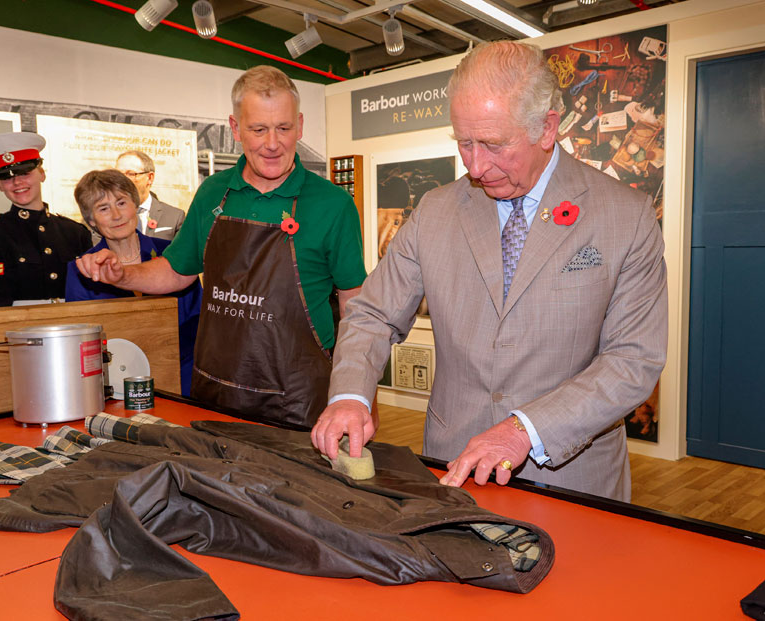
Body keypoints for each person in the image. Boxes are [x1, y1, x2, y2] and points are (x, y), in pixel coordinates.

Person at [311, 41, 667, 502]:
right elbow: (372, 315)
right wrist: (350, 397)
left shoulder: (625, 216)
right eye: (464, 143)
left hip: (572, 479)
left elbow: (632, 361)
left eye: (495, 145)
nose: (476, 166)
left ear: (547, 128)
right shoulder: (436, 211)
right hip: (450, 467)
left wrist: (525, 430)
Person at [78, 65, 367, 428]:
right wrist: (121, 275)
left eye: (284, 128)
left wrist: (350, 394)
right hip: (217, 394)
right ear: (235, 129)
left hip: (298, 400)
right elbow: (175, 271)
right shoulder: (213, 194)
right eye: (258, 129)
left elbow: (355, 303)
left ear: (301, 125)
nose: (273, 143)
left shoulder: (332, 204)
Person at [65, 169, 201, 396]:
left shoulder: (172, 255)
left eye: (121, 203)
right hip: (116, 384)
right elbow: (84, 341)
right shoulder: (82, 270)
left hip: (183, 379)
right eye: (103, 208)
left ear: (135, 206)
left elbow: (197, 318)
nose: (116, 215)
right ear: (91, 221)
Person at [0, 132, 92, 308]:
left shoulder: (75, 232)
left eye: (24, 173)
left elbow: (91, 292)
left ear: (41, 174)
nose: (17, 182)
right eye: (7, 177)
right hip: (19, 331)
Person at [115, 150, 184, 241]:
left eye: (131, 174)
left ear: (150, 178)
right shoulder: (105, 216)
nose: (122, 180)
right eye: (118, 175)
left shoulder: (174, 217)